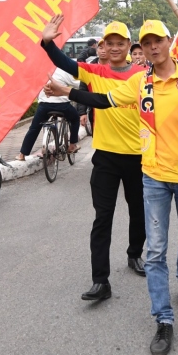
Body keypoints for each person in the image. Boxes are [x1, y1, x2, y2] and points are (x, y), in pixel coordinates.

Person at [47, 20, 178, 355]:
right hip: (152, 173)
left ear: (168, 42)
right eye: (148, 42)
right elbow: (102, 100)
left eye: (158, 40)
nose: (154, 47)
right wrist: (66, 91)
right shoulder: (139, 83)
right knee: (154, 250)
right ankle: (163, 319)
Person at [40, 16, 147, 301]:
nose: (114, 48)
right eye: (109, 43)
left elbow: (105, 100)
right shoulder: (93, 71)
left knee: (139, 213)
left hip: (138, 157)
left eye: (119, 43)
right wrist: (48, 43)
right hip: (106, 158)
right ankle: (101, 280)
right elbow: (65, 64)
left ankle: (135, 254)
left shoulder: (141, 75)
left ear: (128, 45)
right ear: (103, 46)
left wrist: (67, 91)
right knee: (103, 217)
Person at [17, 66, 82, 160]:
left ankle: (22, 154)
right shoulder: (63, 70)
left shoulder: (40, 71)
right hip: (63, 106)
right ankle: (72, 145)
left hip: (44, 106)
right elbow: (78, 85)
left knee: (34, 128)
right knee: (75, 119)